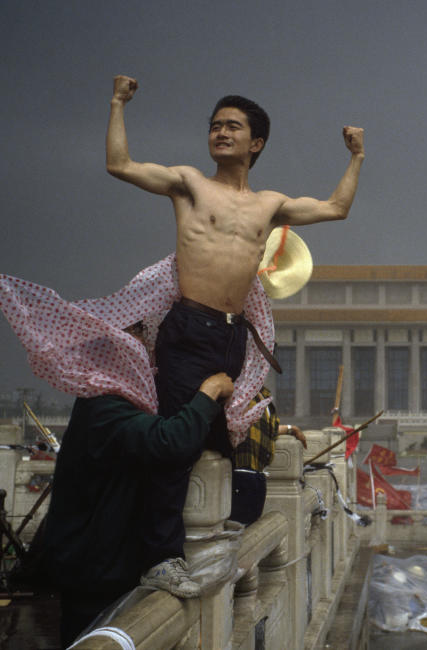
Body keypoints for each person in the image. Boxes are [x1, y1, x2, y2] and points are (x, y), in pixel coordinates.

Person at [106, 75, 364, 575]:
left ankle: (209, 533)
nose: (221, 133)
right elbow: (119, 164)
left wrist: (355, 157)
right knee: (177, 439)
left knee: (223, 438)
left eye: (233, 127)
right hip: (188, 327)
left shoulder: (270, 205)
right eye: (215, 126)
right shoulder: (189, 184)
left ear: (256, 142)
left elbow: (336, 208)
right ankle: (161, 557)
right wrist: (118, 103)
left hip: (232, 335)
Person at [39, 370, 234, 648]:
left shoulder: (118, 403)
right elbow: (171, 441)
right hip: (93, 570)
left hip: (107, 564)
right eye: (136, 334)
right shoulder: (102, 405)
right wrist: (209, 392)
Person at [230, 386, 307, 526]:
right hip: (240, 471)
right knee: (239, 528)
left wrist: (291, 429)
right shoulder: (238, 391)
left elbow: (268, 429)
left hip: (258, 473)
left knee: (252, 525)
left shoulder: (263, 397)